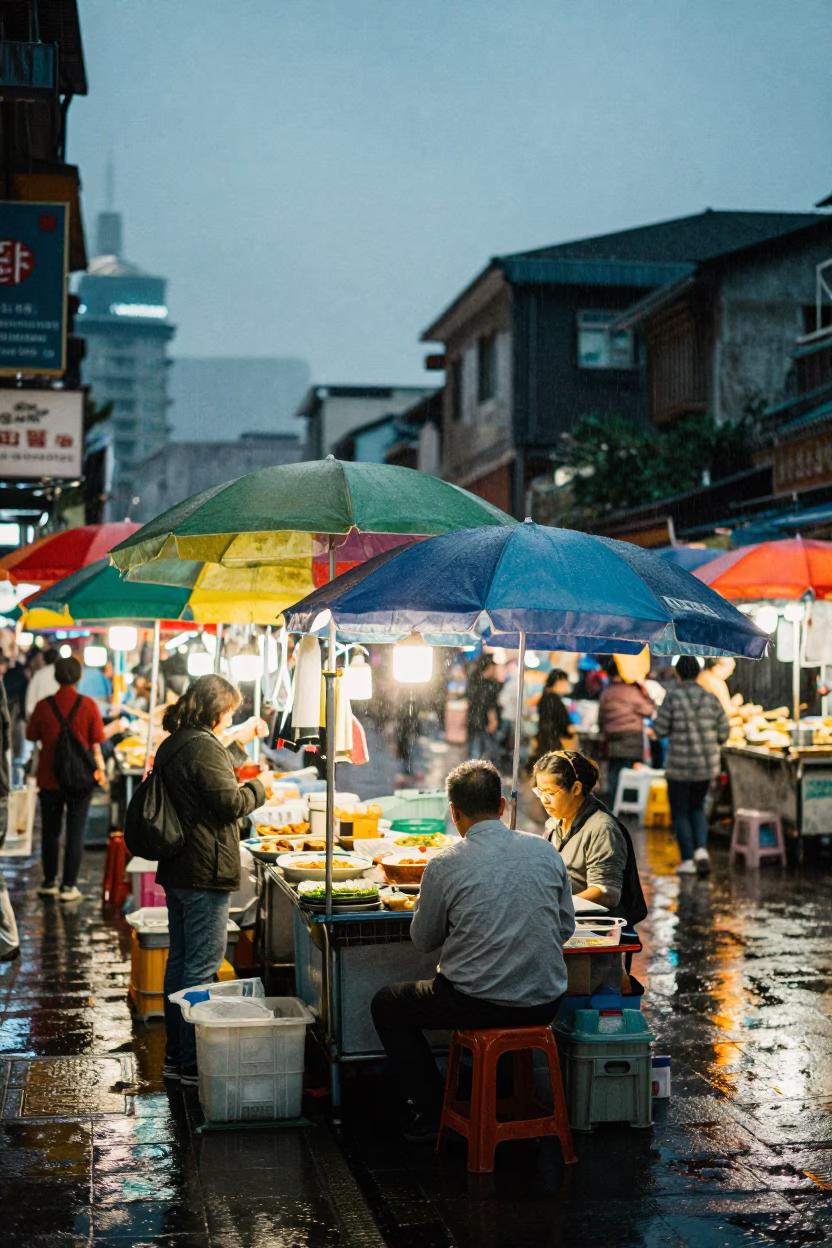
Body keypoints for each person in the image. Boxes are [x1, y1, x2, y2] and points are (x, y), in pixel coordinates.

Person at [371, 759, 575, 1142]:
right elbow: (565, 927)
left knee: (387, 1003)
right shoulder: (545, 852)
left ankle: (432, 1111)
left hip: (476, 1003)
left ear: (453, 812)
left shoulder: (445, 865)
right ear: (501, 806)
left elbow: (423, 940)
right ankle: (496, 1093)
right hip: (546, 1000)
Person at [154, 674, 276, 1086]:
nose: (231, 717)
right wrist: (261, 788)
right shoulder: (200, 745)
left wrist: (239, 741)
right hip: (203, 870)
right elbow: (229, 803)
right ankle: (192, 1063)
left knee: (181, 963)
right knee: (201, 968)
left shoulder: (179, 741)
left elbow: (205, 775)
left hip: (180, 868)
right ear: (215, 709)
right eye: (229, 711)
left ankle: (176, 1055)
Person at [26, 656, 106, 902]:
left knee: (50, 831)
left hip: (49, 777)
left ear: (55, 676)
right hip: (80, 779)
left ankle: (49, 881)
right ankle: (69, 886)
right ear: (79, 676)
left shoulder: (43, 705)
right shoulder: (88, 705)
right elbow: (97, 740)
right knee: (75, 831)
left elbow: (31, 735)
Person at [653, 656, 730, 876]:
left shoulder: (672, 698)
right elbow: (724, 731)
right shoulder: (710, 698)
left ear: (678, 673)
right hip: (705, 767)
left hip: (679, 768)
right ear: (697, 673)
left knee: (680, 811)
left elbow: (659, 730)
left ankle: (687, 858)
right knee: (697, 807)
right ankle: (702, 852)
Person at [597, 659, 654, 802]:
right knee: (631, 773)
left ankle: (613, 803)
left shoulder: (606, 692)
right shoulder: (632, 692)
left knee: (614, 772)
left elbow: (600, 718)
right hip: (632, 739)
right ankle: (629, 802)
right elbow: (649, 710)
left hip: (612, 740)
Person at [535, 669, 577, 760]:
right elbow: (563, 723)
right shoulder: (553, 699)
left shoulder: (546, 697)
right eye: (565, 681)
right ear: (559, 681)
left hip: (546, 740)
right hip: (553, 742)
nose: (567, 685)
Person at [466, 656, 500, 761]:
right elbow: (488, 704)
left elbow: (468, 699)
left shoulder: (474, 681)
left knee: (475, 749)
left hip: (473, 719)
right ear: (488, 668)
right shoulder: (487, 684)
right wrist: (492, 719)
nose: (494, 671)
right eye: (493, 668)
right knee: (480, 750)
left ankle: (472, 771)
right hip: (481, 720)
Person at [25, 646, 59, 719]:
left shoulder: (38, 675)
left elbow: (30, 699)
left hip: (38, 716)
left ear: (44, 659)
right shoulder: (60, 675)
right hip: (55, 718)